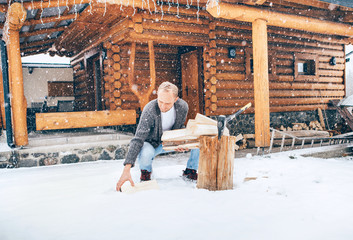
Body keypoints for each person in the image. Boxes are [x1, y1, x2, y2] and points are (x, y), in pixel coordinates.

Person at [116, 82, 200, 191]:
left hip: (170, 141)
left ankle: (190, 171)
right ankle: (146, 173)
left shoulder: (182, 107)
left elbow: (179, 128)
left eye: (167, 103)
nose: (163, 106)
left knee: (198, 141)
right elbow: (138, 139)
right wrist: (126, 169)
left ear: (175, 100)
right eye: (160, 101)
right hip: (152, 144)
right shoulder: (150, 110)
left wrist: (180, 143)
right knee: (146, 152)